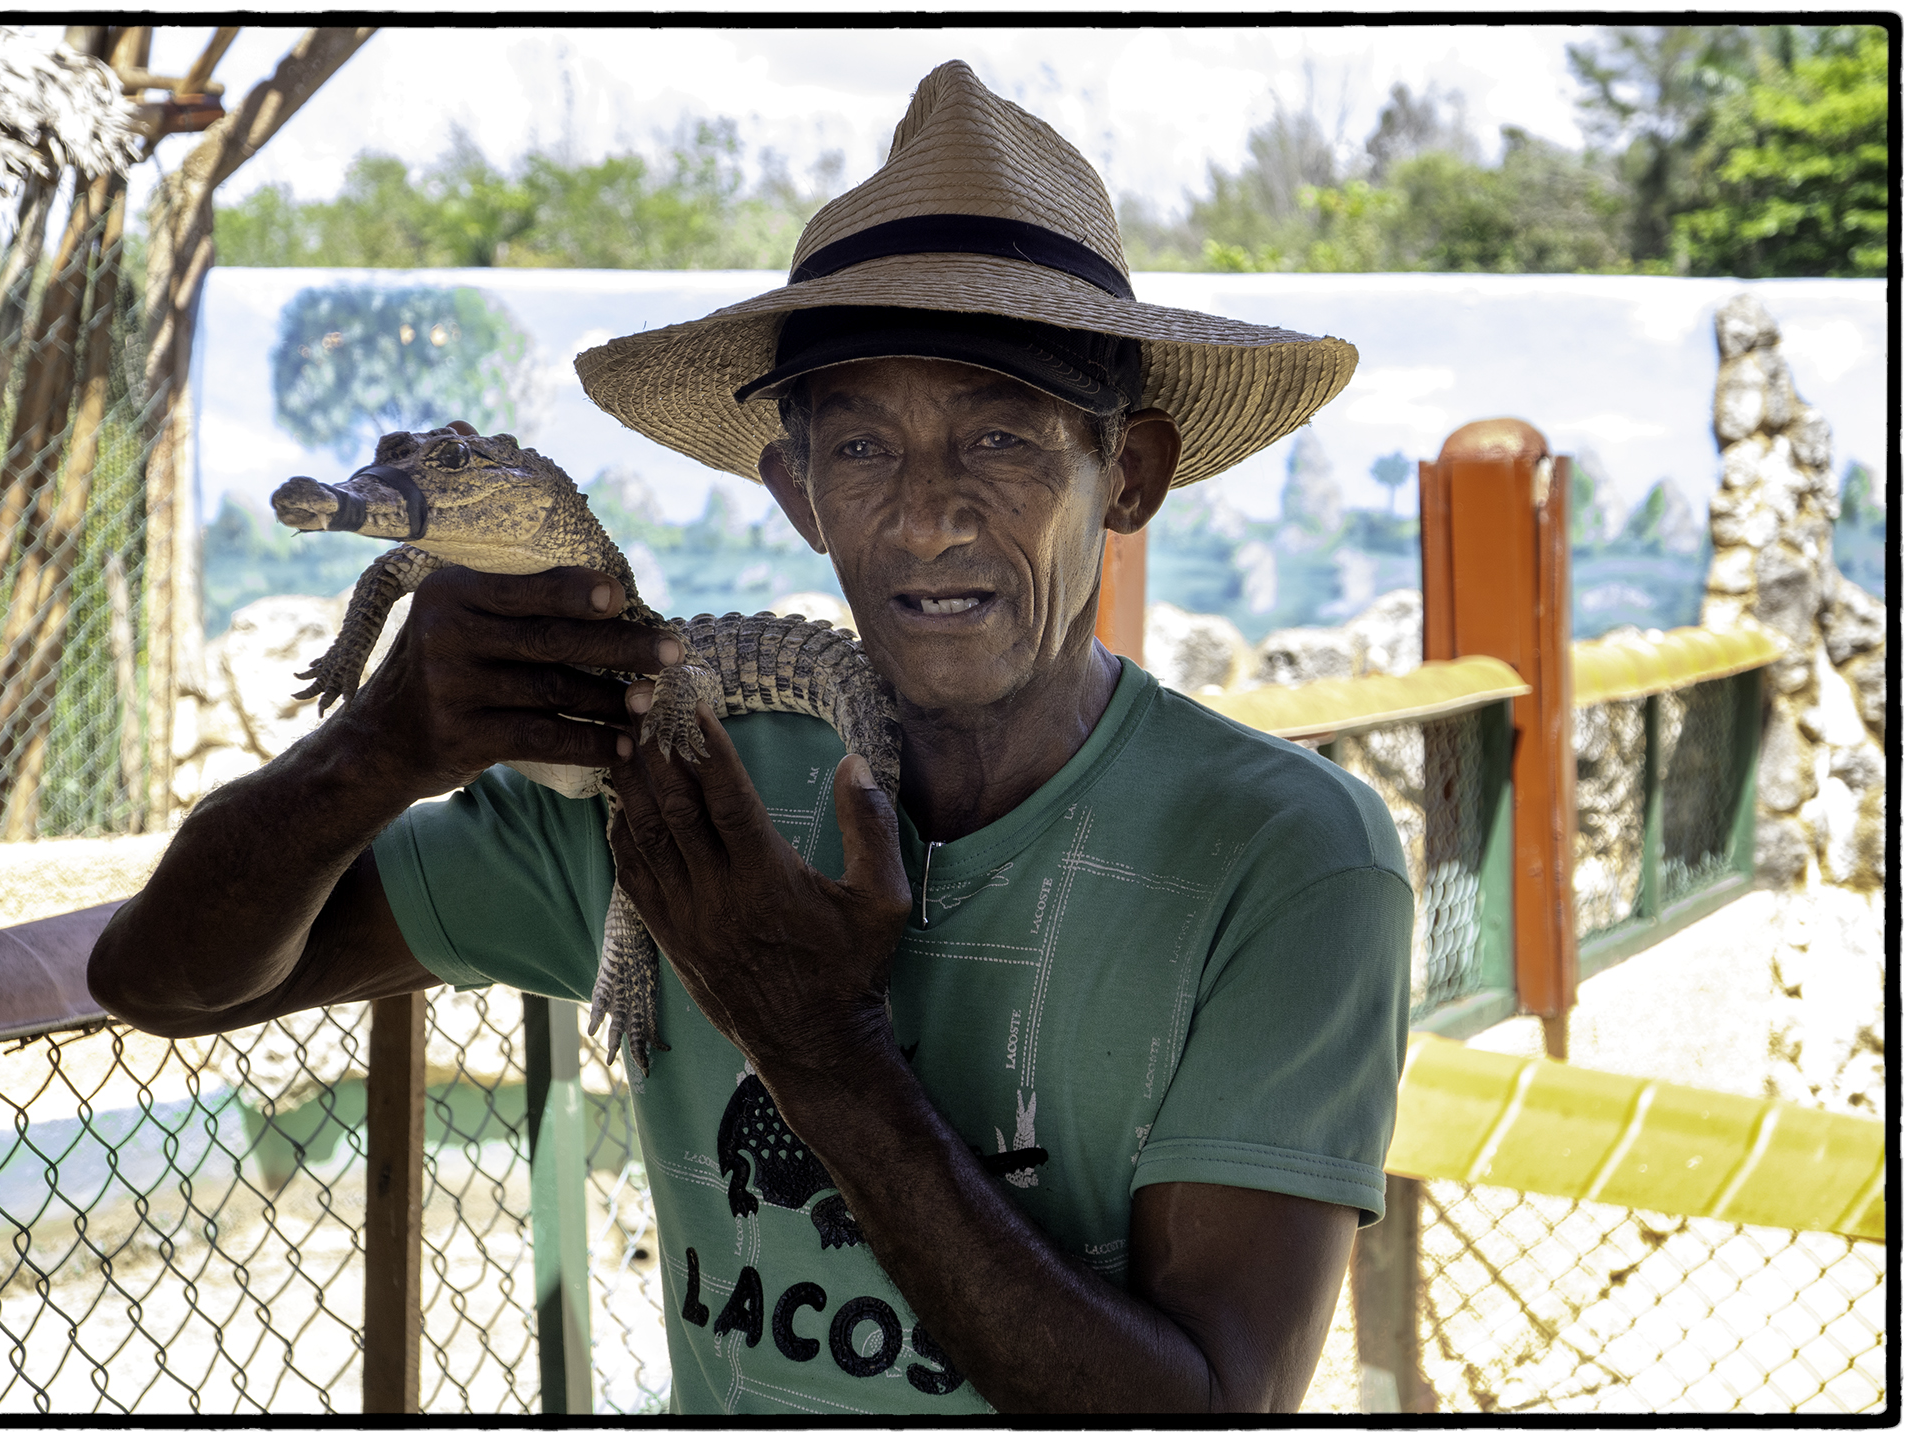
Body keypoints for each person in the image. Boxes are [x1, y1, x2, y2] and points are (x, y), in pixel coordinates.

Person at [90, 60, 1411, 1414]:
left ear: (1125, 472)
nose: (928, 516)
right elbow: (166, 977)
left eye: (1005, 442)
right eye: (861, 451)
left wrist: (816, 1040)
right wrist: (381, 744)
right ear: (795, 492)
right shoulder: (678, 776)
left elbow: (1210, 1402)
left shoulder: (1287, 855)